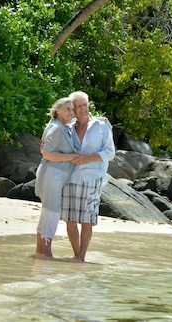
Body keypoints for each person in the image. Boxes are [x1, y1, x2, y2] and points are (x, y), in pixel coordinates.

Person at [42, 90, 115, 261]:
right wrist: (43, 147)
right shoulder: (68, 127)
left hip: (92, 177)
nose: (82, 109)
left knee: (88, 219)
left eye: (85, 105)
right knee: (70, 219)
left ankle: (82, 256)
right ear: (73, 109)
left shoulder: (102, 125)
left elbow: (110, 152)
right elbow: (52, 137)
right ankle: (76, 255)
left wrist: (88, 158)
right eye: (78, 106)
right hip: (70, 176)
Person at [35, 97, 80, 257]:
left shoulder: (63, 127)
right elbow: (47, 153)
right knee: (51, 214)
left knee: (48, 214)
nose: (71, 112)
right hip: (51, 175)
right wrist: (71, 157)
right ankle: (46, 255)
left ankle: (42, 253)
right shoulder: (56, 128)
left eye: (72, 109)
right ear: (58, 110)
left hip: (55, 176)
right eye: (67, 109)